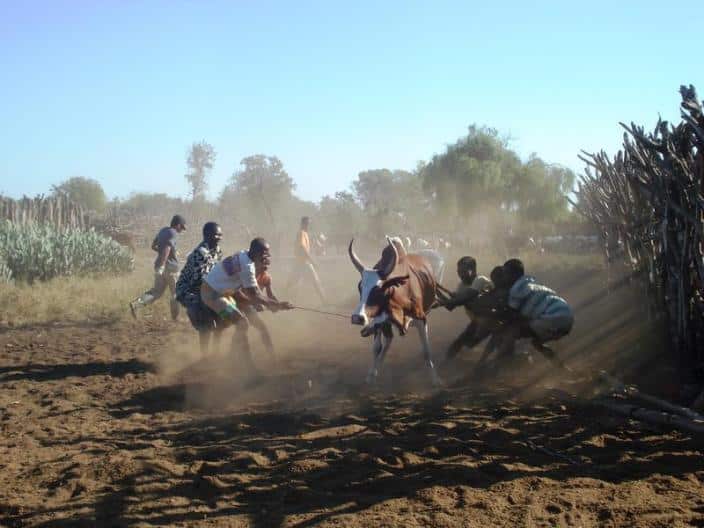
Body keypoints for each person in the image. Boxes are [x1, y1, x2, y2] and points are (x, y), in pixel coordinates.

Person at [201, 238, 293, 372]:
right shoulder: (247, 267)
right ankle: (245, 365)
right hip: (212, 295)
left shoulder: (244, 255)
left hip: (220, 291)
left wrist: (272, 304)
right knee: (242, 323)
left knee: (241, 323)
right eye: (264, 253)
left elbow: (248, 293)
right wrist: (278, 305)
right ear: (256, 253)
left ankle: (235, 356)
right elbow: (255, 295)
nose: (266, 256)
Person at [492, 258, 574, 369]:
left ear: (514, 275)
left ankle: (497, 365)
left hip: (552, 318)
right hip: (567, 316)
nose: (504, 277)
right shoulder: (530, 284)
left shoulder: (516, 289)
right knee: (536, 343)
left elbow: (511, 314)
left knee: (511, 331)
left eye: (506, 274)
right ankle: (561, 367)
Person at [175, 222, 223, 355]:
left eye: (220, 235)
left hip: (206, 289)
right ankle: (205, 356)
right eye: (216, 234)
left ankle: (216, 352)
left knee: (220, 319)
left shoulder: (217, 251)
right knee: (206, 324)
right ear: (207, 235)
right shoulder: (200, 253)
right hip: (189, 291)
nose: (219, 237)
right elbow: (198, 281)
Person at [130, 214, 186, 320]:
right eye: (182, 227)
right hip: (171, 268)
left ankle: (136, 304)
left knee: (156, 292)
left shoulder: (163, 230)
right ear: (178, 225)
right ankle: (175, 319)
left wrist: (162, 261)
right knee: (176, 293)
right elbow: (167, 249)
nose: (181, 230)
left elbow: (153, 246)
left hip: (159, 265)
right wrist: (165, 261)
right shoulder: (173, 233)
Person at [285, 216, 326, 304]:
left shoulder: (304, 233)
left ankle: (283, 297)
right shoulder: (302, 233)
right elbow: (302, 248)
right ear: (303, 224)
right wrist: (312, 261)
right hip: (304, 263)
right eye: (307, 223)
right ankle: (325, 302)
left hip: (299, 263)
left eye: (309, 224)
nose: (309, 225)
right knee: (316, 282)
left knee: (292, 282)